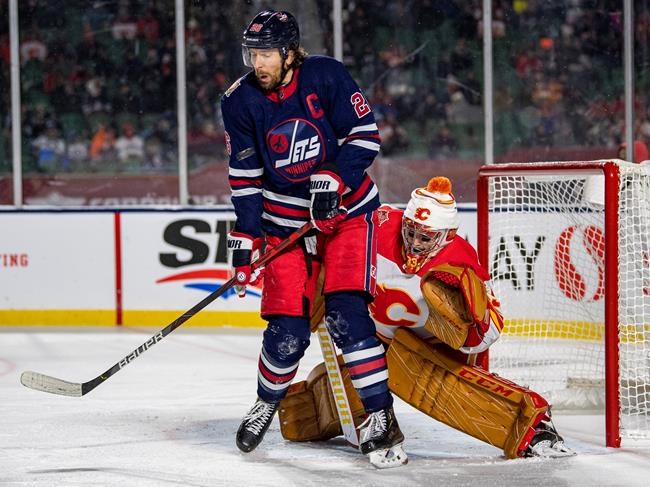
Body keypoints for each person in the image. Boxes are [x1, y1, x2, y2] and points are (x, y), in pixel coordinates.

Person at [220, 10, 405, 468]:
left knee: (346, 315)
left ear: (288, 52)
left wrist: (333, 179)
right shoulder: (239, 101)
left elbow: (364, 137)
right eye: (252, 54)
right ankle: (267, 401)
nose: (257, 63)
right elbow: (245, 178)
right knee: (286, 330)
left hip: (347, 215)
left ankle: (381, 416)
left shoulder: (327, 75)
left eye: (265, 54)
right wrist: (245, 235)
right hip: (283, 225)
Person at [278, 177, 575, 460]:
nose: (415, 242)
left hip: (438, 346)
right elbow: (335, 234)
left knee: (414, 372)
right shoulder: (380, 226)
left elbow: (485, 336)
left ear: (446, 236)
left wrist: (465, 317)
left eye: (425, 237)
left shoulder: (459, 261)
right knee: (330, 394)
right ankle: (316, 405)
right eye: (411, 231)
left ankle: (531, 428)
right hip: (383, 335)